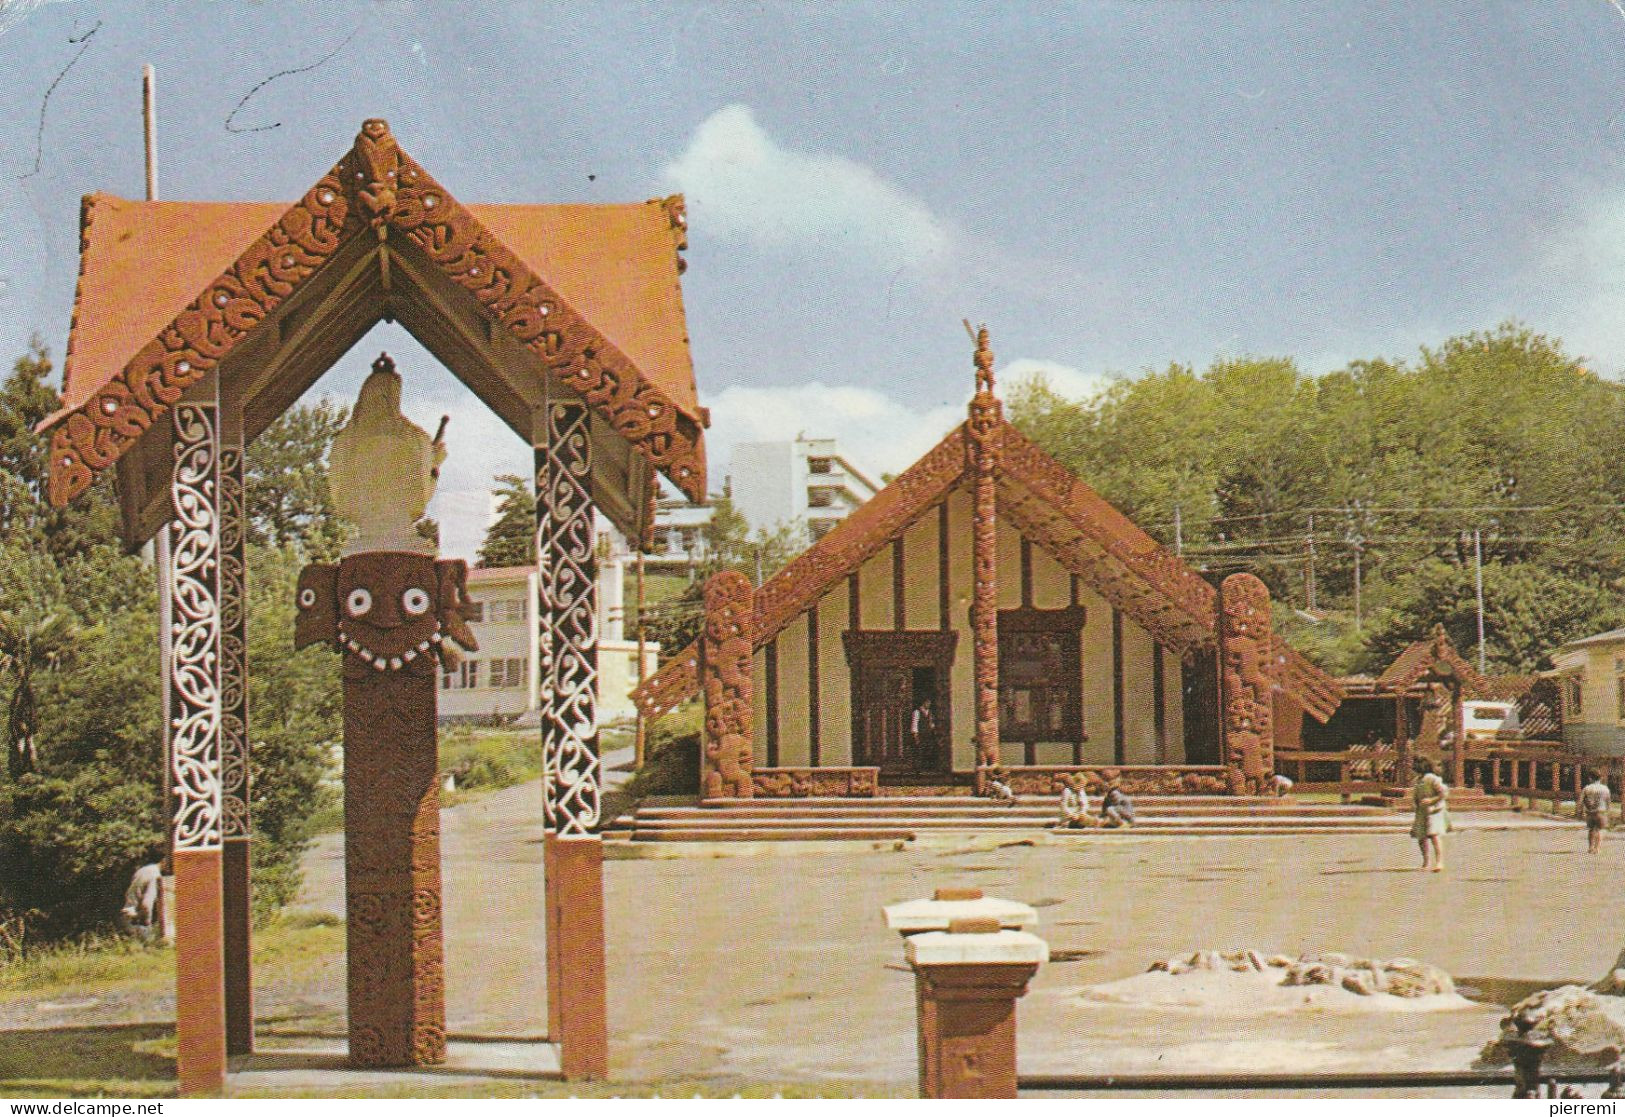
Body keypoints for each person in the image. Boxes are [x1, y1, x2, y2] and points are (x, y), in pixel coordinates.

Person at [1410, 757, 1450, 872]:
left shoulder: (1432, 778)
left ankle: (1439, 862)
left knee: (1434, 835)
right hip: (1422, 811)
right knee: (1421, 837)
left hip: (1433, 811)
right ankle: (1426, 861)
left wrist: (1432, 800)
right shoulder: (1418, 780)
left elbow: (1443, 793)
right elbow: (1416, 795)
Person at [119, 862, 162, 940]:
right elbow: (146, 906)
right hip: (137, 925)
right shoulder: (154, 875)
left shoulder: (146, 871)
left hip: (128, 920)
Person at [1581, 768, 1612, 855]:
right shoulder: (1605, 788)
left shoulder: (1587, 788)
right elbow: (1608, 800)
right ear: (1600, 778)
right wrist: (1608, 811)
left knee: (1591, 829)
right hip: (1600, 812)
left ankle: (1590, 847)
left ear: (1590, 778)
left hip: (1590, 812)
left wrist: (1582, 811)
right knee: (1599, 830)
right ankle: (1597, 848)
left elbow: (1582, 800)